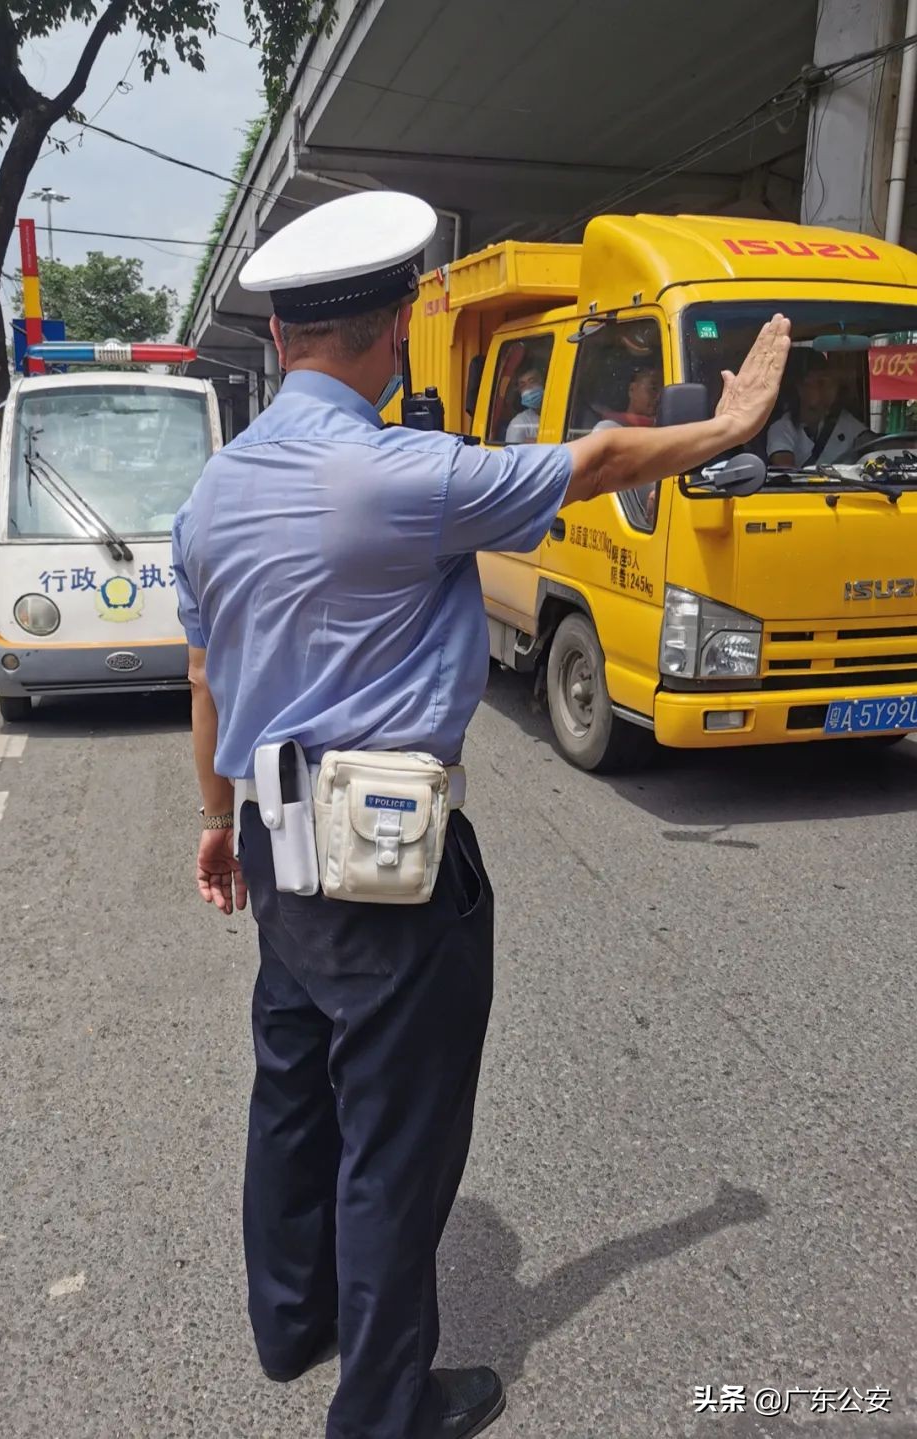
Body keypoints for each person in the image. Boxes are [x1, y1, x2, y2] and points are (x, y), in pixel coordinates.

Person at [171, 190, 789, 1439]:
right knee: (396, 1134)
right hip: (387, 849)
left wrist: (214, 817)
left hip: (277, 839)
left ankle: (294, 1319)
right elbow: (604, 459)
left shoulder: (214, 494)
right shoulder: (406, 472)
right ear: (394, 328)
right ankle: (384, 1408)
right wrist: (734, 421)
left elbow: (205, 676)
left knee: (292, 1088)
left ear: (282, 334)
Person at [766, 350, 871, 466]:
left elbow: (872, 444)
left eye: (832, 383)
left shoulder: (844, 421)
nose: (830, 389)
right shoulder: (782, 429)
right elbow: (786, 472)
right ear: (801, 388)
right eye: (821, 383)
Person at [592, 363, 664, 524]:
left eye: (663, 390)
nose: (658, 396)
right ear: (632, 390)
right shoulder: (608, 432)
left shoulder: (666, 431)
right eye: (653, 388)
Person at [503, 365, 546, 443]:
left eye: (532, 381)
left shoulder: (564, 413)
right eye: (523, 385)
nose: (528, 387)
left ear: (543, 382)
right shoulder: (519, 424)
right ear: (520, 392)